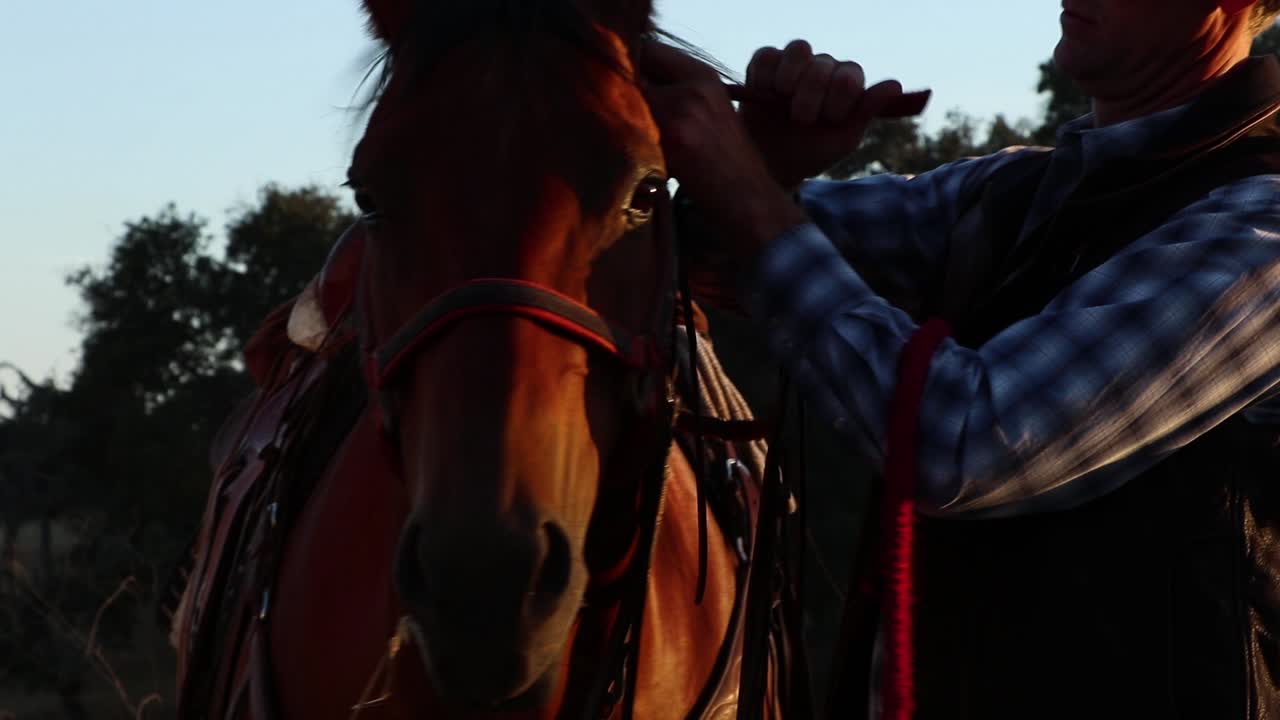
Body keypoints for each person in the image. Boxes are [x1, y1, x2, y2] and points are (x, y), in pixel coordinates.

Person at [638, 0, 1280, 717]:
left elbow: (966, 440)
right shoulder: (1008, 195)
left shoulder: (1261, 227)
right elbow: (696, 253)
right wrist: (759, 168)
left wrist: (745, 189)